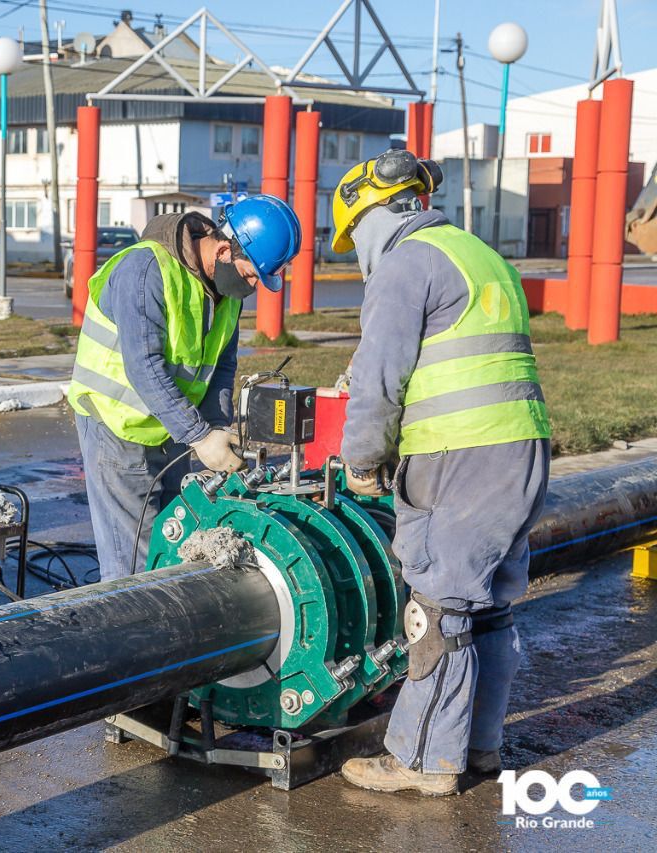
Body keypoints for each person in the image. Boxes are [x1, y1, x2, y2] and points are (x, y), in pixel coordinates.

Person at [332, 150, 551, 796]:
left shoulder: (405, 264)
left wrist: (362, 460)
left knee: (437, 610)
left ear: (374, 213)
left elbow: (379, 382)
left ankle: (422, 760)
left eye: (353, 236)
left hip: (460, 458)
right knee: (489, 610)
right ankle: (481, 746)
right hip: (521, 453)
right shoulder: (480, 256)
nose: (355, 252)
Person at [67, 199, 301, 582]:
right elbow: (144, 365)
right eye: (252, 274)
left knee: (174, 543)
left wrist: (215, 428)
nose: (254, 286)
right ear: (224, 250)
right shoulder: (144, 270)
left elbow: (222, 365)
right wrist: (199, 436)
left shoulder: (225, 292)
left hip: (174, 427)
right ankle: (135, 635)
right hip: (118, 427)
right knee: (134, 568)